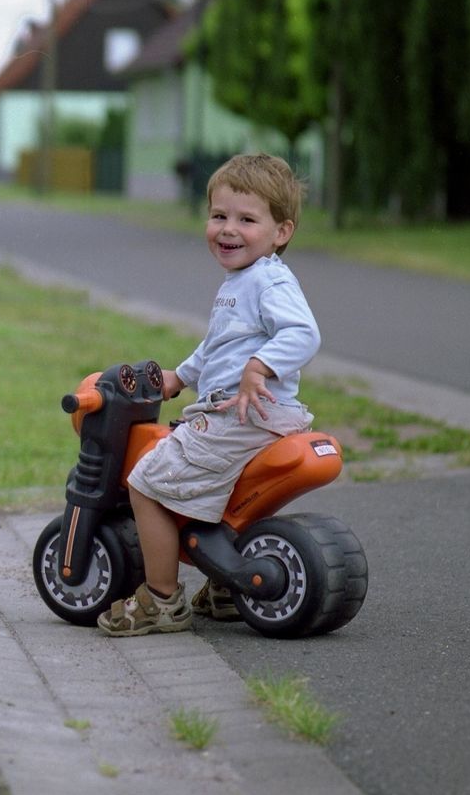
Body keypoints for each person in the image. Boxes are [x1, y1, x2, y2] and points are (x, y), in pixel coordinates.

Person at [98, 153, 320, 637]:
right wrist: (182, 375)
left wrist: (258, 368)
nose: (228, 229)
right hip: (252, 414)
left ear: (281, 232)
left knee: (146, 483)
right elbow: (222, 343)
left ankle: (160, 599)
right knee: (225, 498)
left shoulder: (268, 279)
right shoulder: (243, 281)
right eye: (219, 216)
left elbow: (303, 333)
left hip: (243, 416)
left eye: (246, 219)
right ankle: (224, 585)